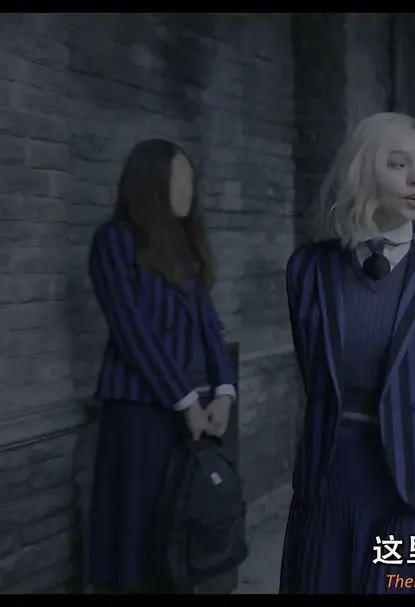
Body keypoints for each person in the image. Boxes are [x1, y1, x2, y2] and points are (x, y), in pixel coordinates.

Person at [280, 112, 415, 594]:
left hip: (412, 494)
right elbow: (315, 379)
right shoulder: (309, 269)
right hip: (330, 485)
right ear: (364, 170)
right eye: (398, 164)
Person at [87, 139, 236, 593]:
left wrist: (224, 392)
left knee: (180, 531)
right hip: (139, 413)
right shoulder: (115, 241)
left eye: (191, 179)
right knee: (136, 532)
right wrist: (184, 398)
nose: (189, 189)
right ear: (150, 182)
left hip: (192, 413)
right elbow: (132, 331)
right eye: (179, 178)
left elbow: (209, 326)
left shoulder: (185, 249)